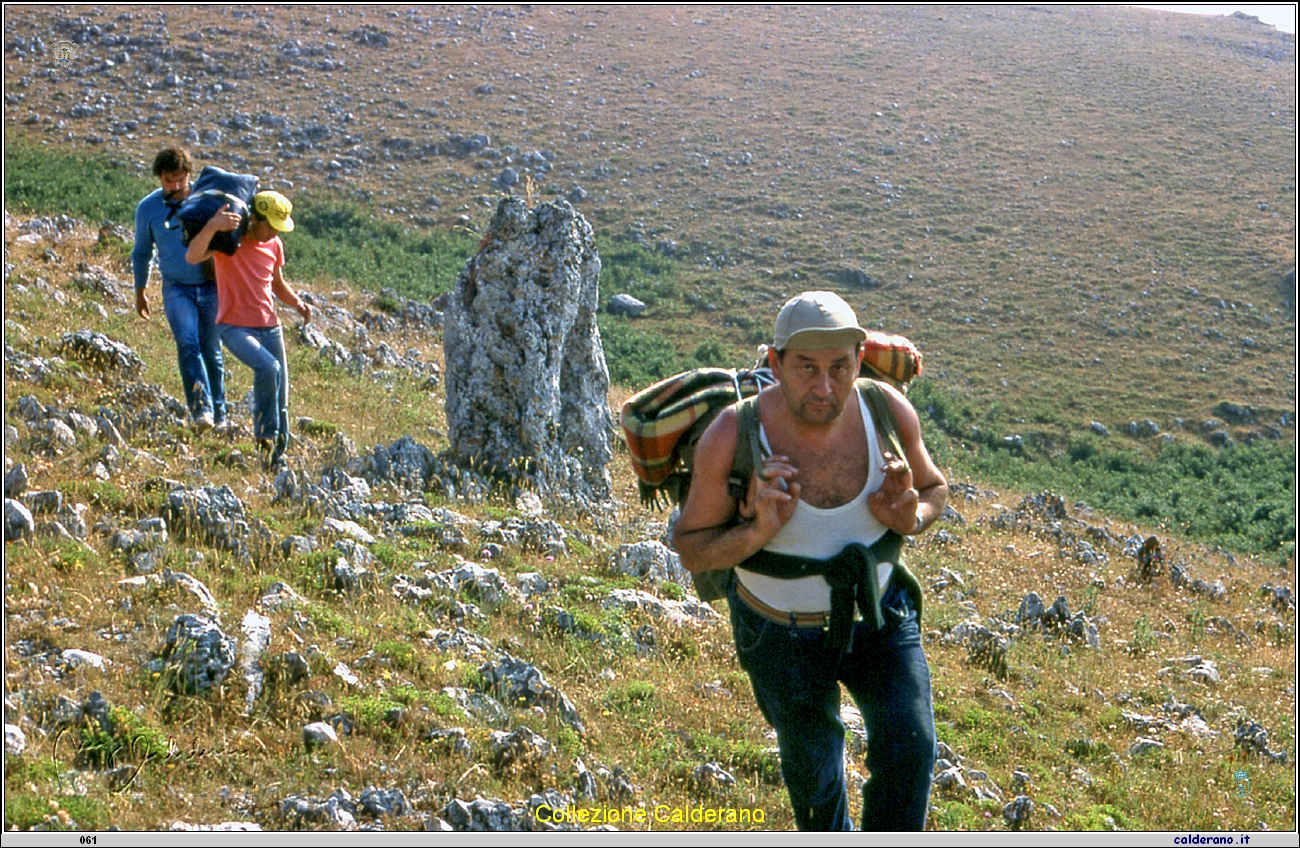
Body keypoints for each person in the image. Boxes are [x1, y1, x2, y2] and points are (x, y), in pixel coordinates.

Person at [672, 290, 949, 831]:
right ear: (774, 364)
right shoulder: (734, 434)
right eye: (805, 369)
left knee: (911, 750)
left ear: (859, 361)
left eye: (839, 368)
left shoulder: (887, 411)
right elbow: (691, 546)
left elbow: (935, 486)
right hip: (779, 634)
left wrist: (909, 516)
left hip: (881, 616)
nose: (824, 388)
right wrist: (757, 530)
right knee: (817, 782)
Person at [185, 190, 312, 469]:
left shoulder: (274, 244)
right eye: (272, 226)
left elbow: (277, 284)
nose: (275, 234)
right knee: (268, 369)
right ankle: (264, 439)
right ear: (255, 218)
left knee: (281, 399)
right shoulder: (230, 240)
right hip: (234, 327)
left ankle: (274, 461)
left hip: (270, 327)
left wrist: (298, 304)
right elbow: (192, 256)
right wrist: (213, 226)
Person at [132, 147, 226, 431]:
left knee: (212, 351)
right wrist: (140, 290)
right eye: (168, 180)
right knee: (187, 344)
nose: (175, 187)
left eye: (180, 180)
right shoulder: (147, 208)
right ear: (159, 177)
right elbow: (141, 252)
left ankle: (221, 414)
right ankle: (201, 411)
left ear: (189, 175)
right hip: (176, 288)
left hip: (211, 286)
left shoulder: (207, 198)